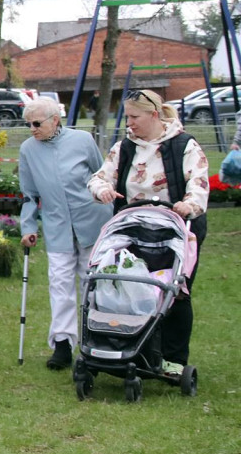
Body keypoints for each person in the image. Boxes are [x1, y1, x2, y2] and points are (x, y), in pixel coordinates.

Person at [87, 89, 209, 375]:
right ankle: (129, 348)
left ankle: (174, 360)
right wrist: (103, 189)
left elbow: (199, 184)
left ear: (154, 114)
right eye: (126, 116)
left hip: (177, 228)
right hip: (133, 227)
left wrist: (189, 204)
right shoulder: (124, 147)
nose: (129, 123)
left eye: (134, 116)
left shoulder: (184, 145)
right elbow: (98, 177)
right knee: (126, 285)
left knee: (176, 292)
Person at [19, 98, 113, 370]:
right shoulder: (27, 150)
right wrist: (28, 228)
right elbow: (29, 195)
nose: (32, 129)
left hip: (91, 221)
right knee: (59, 283)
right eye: (29, 125)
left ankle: (96, 340)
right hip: (57, 226)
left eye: (37, 123)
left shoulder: (83, 140)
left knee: (92, 283)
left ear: (55, 119)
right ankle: (62, 344)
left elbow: (101, 176)